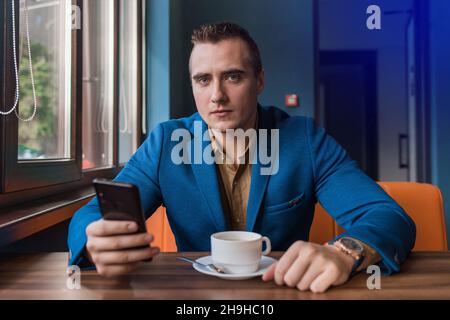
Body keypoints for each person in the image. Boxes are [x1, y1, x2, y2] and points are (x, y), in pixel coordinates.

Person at [68, 22, 416, 293]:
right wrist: (95, 238)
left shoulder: (304, 140)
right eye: (203, 80)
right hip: (194, 299)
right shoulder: (165, 143)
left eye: (232, 76)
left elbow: (387, 216)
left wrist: (345, 252)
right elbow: (94, 213)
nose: (216, 95)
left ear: (259, 80)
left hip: (284, 292)